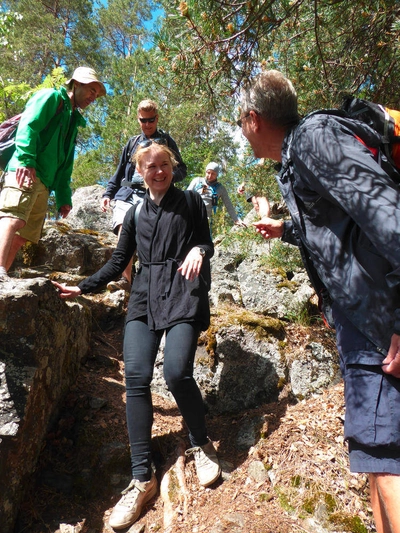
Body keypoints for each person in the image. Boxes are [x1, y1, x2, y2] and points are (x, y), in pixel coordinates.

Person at [238, 69, 400, 533]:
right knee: (374, 453)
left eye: (239, 122)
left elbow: (388, 215)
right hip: (363, 324)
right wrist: (286, 230)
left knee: (387, 459)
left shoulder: (312, 139)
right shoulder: (296, 158)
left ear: (253, 119)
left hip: (381, 324)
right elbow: (339, 225)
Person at [53, 141, 221, 530]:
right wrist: (84, 286)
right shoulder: (136, 213)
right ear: (140, 172)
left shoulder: (192, 202)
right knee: (137, 378)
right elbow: (118, 261)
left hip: (183, 291)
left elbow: (206, 241)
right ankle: (142, 477)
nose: (158, 171)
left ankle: (201, 441)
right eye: (150, 166)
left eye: (164, 165)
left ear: (172, 167)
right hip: (144, 298)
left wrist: (198, 250)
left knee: (177, 373)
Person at [0, 67, 106, 281]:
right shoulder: (50, 97)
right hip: (25, 169)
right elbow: (29, 126)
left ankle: (3, 276)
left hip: (45, 182)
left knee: (24, 235)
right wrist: (26, 160)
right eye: (90, 90)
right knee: (12, 218)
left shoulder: (73, 120)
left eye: (96, 94)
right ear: (76, 84)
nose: (93, 97)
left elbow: (65, 163)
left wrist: (63, 198)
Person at [101, 99, 187, 290]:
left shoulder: (166, 141)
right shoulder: (132, 142)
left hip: (154, 196)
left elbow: (182, 170)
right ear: (138, 120)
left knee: (151, 238)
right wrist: (108, 193)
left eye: (151, 120)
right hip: (127, 193)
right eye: (143, 120)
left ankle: (152, 283)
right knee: (125, 230)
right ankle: (125, 281)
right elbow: (120, 170)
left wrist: (163, 179)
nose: (147, 124)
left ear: (157, 118)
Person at [187, 162, 245, 232]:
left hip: (205, 220)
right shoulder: (197, 181)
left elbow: (228, 204)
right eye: (208, 172)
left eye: (213, 174)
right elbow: (186, 196)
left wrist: (236, 219)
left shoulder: (220, 188)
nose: (210, 175)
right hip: (191, 216)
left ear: (217, 175)